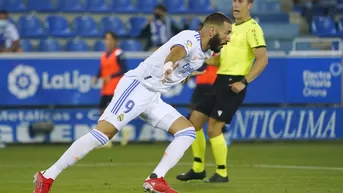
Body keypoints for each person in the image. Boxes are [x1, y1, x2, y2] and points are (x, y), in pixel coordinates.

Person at [33, 12, 232, 193]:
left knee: (187, 132)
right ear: (212, 30)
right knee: (104, 134)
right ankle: (47, 176)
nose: (228, 38)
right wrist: (169, 65)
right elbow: (176, 52)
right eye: (227, 33)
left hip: (153, 97)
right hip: (138, 87)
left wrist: (184, 73)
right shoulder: (190, 38)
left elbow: (185, 61)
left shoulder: (208, 52)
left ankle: (155, 179)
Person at [177, 0, 268, 183]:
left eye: (240, 1)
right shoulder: (230, 28)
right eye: (234, 0)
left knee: (214, 128)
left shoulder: (253, 29)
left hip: (234, 83)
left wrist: (244, 82)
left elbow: (262, 59)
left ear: (249, 5)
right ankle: (198, 168)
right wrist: (199, 61)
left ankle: (222, 172)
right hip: (220, 81)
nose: (236, 4)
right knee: (193, 121)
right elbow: (220, 61)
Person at [93, 31, 131, 147]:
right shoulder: (104, 55)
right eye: (106, 39)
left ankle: (122, 132)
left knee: (114, 113)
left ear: (115, 41)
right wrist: (97, 76)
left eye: (110, 39)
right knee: (102, 112)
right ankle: (106, 138)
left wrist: (112, 76)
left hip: (115, 87)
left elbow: (124, 69)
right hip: (105, 88)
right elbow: (102, 69)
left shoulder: (119, 53)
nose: (107, 41)